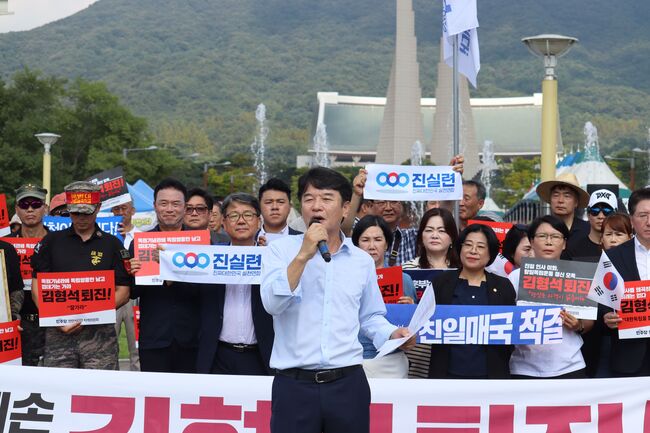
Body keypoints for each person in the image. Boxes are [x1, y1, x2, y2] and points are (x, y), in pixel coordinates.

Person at [261, 167, 414, 433]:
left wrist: (393, 334)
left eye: (326, 198)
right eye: (309, 199)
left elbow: (371, 317)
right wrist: (302, 256)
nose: (316, 206)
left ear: (345, 208)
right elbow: (272, 304)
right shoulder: (279, 251)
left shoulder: (361, 260)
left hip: (347, 384)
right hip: (294, 386)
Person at [31, 181, 131, 369]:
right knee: (59, 385)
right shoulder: (51, 242)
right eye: (76, 213)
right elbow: (37, 286)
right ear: (69, 209)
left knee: (100, 386)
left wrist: (89, 315)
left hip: (99, 335)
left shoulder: (112, 244)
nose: (81, 218)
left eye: (87, 212)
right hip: (59, 333)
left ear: (98, 208)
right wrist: (55, 318)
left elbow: (123, 292)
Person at [130, 178, 202, 373]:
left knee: (190, 391)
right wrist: (132, 273)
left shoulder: (200, 242)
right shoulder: (140, 242)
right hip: (153, 338)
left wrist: (171, 274)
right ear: (155, 205)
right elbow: (133, 292)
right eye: (164, 203)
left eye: (175, 204)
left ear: (185, 207)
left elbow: (205, 289)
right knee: (154, 391)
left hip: (192, 339)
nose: (169, 209)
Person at [197, 193, 274, 375]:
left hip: (261, 355)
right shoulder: (209, 258)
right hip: (218, 356)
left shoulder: (272, 258)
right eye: (233, 215)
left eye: (248, 215)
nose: (241, 221)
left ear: (258, 221)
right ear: (224, 222)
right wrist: (166, 262)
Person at [508, 215, 593, 378]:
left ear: (564, 243)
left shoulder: (579, 276)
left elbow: (588, 322)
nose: (549, 242)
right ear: (532, 241)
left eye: (555, 236)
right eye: (542, 236)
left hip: (569, 365)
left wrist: (578, 325)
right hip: (524, 366)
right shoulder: (515, 277)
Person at [427, 224, 516, 378]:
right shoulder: (441, 283)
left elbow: (513, 328)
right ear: (460, 248)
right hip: (446, 375)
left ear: (490, 253)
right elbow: (426, 321)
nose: (473, 251)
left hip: (491, 376)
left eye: (480, 247)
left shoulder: (503, 286)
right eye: (468, 245)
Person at [351, 215, 417, 378]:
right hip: (353, 357)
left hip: (391, 359)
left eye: (378, 239)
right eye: (365, 240)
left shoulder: (404, 280)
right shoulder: (346, 279)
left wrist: (409, 310)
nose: (372, 246)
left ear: (387, 244)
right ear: (356, 244)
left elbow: (412, 329)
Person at [602, 188, 650, 376]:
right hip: (629, 356)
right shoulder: (612, 257)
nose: (649, 222)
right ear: (631, 220)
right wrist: (606, 316)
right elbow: (602, 302)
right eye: (643, 215)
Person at [6, 184, 49, 366]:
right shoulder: (5, 245)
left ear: (45, 208)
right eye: (24, 205)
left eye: (36, 204)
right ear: (17, 209)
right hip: (17, 325)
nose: (30, 209)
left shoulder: (59, 242)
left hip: (53, 325)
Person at [590, 213, 633, 378]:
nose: (613, 240)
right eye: (608, 234)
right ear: (601, 238)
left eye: (619, 234)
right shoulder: (589, 267)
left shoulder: (637, 267)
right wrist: (604, 315)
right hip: (598, 342)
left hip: (631, 345)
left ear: (630, 237)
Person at [110, 198, 140, 371]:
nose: (120, 212)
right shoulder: (106, 237)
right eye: (116, 209)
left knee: (136, 345)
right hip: (112, 292)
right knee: (109, 344)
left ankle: (138, 380)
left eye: (124, 208)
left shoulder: (143, 237)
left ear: (133, 211)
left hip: (134, 296)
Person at [563, 189, 617, 261]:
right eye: (595, 211)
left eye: (607, 211)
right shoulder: (573, 248)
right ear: (588, 214)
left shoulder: (623, 249)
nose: (601, 216)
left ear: (616, 215)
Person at [536, 173, 590, 241]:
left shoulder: (587, 231)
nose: (560, 200)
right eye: (556, 195)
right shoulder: (540, 228)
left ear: (576, 202)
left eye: (567, 196)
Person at [257, 178, 301, 244]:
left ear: (290, 206)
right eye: (269, 202)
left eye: (280, 202)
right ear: (259, 206)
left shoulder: (302, 240)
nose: (275, 207)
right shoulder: (247, 241)